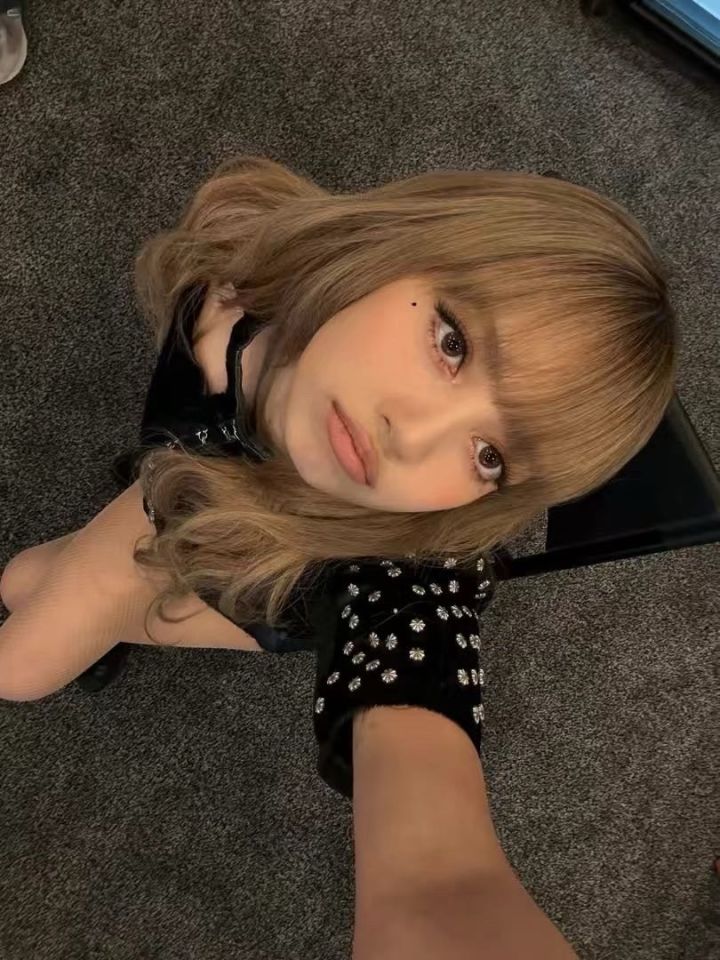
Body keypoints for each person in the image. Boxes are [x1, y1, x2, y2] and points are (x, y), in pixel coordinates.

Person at [0, 155, 674, 953]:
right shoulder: (244, 271)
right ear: (407, 243)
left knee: (20, 662)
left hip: (261, 597)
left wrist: (438, 897)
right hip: (172, 511)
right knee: (27, 581)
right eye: (452, 342)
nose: (411, 435)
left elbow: (438, 881)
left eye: (489, 455)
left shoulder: (409, 571)